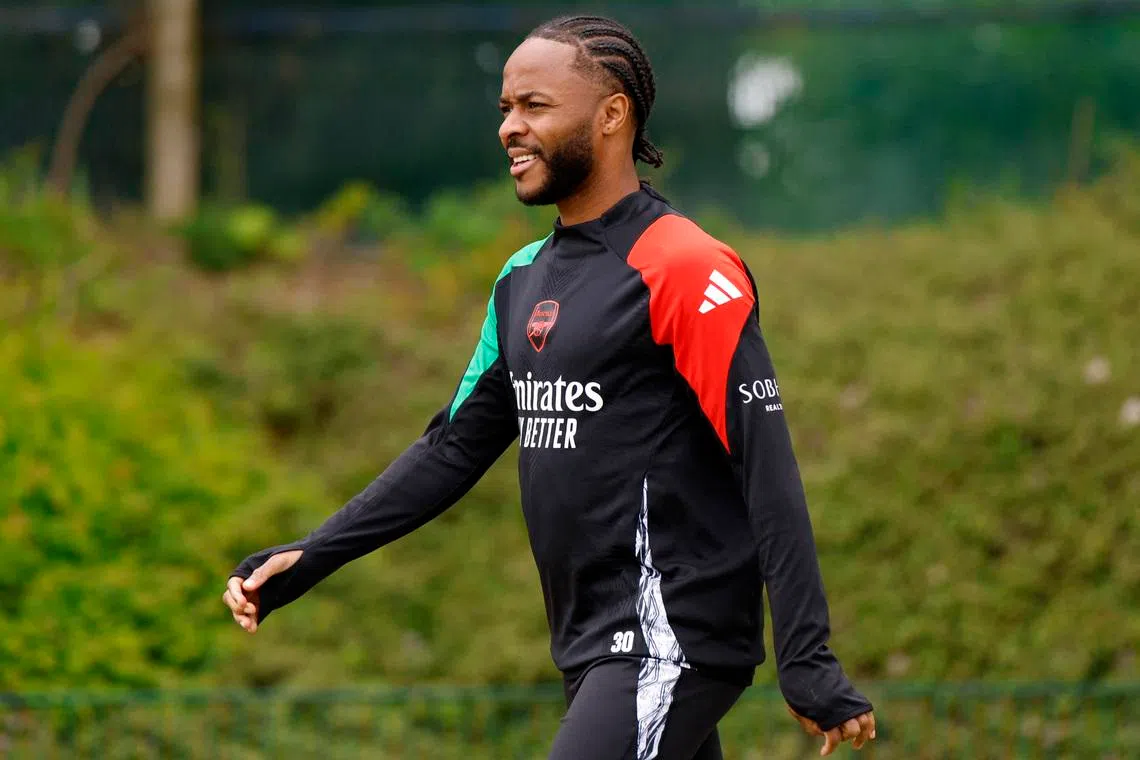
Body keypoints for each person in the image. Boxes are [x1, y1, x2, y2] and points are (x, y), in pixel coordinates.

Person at [223, 14, 876, 760]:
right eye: (505, 107)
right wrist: (310, 557)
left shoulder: (686, 267)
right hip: (588, 639)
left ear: (611, 115)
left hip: (669, 634)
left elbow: (767, 469)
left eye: (534, 106)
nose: (509, 127)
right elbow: (451, 448)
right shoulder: (521, 280)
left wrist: (807, 656)